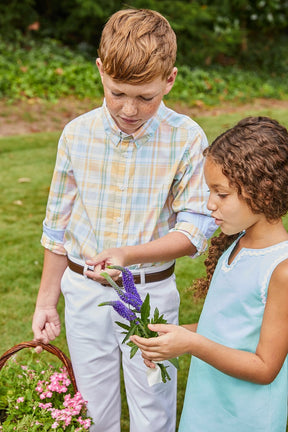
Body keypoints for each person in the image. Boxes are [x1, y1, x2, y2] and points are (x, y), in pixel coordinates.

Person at [32, 8, 216, 432]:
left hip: (149, 294)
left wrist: (127, 255)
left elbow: (194, 231)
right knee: (91, 411)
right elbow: (56, 227)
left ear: (169, 79)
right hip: (82, 291)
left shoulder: (186, 138)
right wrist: (47, 300)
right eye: (117, 93)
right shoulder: (76, 134)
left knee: (152, 409)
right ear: (100, 72)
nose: (129, 109)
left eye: (145, 97)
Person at [131, 116, 288, 432]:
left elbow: (265, 368)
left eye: (222, 193)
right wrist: (174, 336)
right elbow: (229, 326)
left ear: (265, 191)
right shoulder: (237, 245)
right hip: (208, 407)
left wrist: (190, 344)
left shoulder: (281, 269)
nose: (209, 204)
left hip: (245, 418)